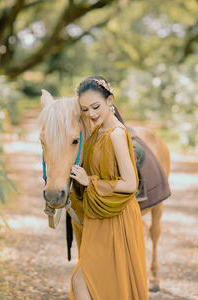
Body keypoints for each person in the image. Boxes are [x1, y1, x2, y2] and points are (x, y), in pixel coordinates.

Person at [69, 76, 149, 300]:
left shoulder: (115, 134)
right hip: (99, 213)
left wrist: (89, 182)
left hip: (117, 216)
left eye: (96, 107)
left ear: (110, 100)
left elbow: (131, 184)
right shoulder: (97, 132)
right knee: (85, 280)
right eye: (85, 109)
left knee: (84, 280)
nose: (91, 114)